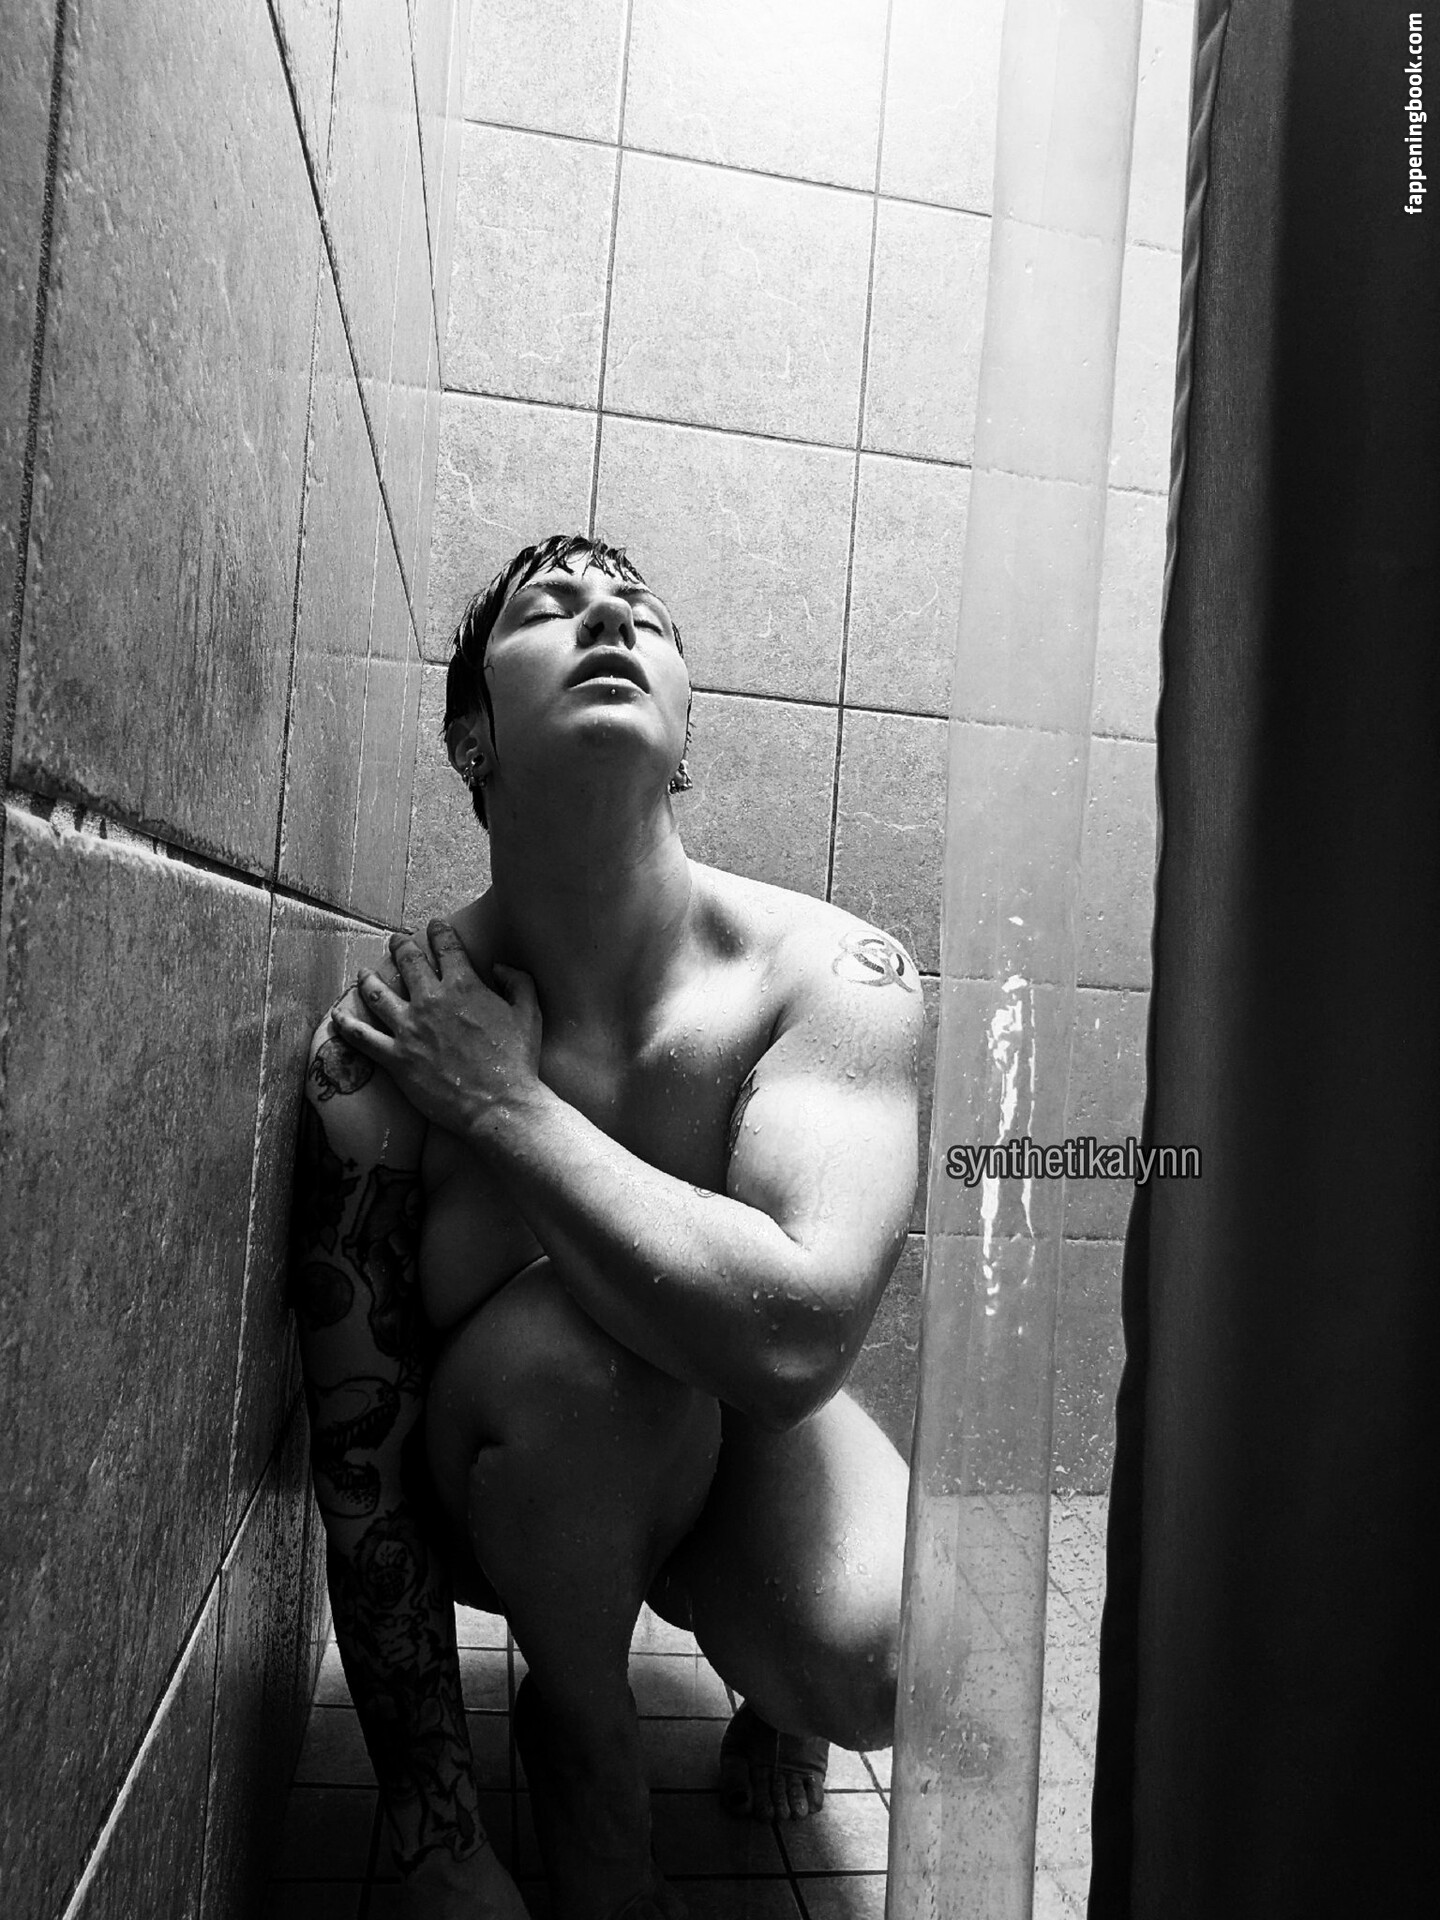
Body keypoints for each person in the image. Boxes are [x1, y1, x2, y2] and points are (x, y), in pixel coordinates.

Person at [290, 534, 922, 1920]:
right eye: (551, 609)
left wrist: (506, 1106)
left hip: (743, 1423)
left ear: (684, 736)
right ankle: (585, 1752)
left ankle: (777, 1697)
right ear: (472, 738)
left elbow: (801, 1334)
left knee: (880, 1659)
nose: (609, 620)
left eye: (640, 610)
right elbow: (361, 1469)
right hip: (523, 1489)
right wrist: (439, 1844)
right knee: (581, 1360)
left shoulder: (828, 976)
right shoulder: (382, 1052)